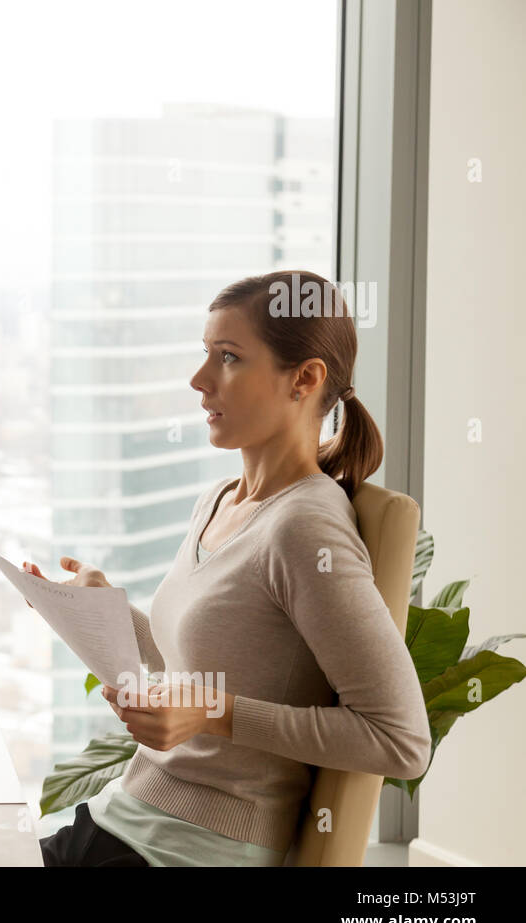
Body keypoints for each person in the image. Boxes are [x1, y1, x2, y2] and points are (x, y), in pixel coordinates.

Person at [33, 270, 431, 866]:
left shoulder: (304, 527)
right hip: (123, 820)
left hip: (187, 851)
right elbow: (195, 666)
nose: (199, 381)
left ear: (305, 379)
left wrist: (215, 714)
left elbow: (400, 741)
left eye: (228, 358)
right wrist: (104, 610)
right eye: (205, 354)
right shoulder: (220, 500)